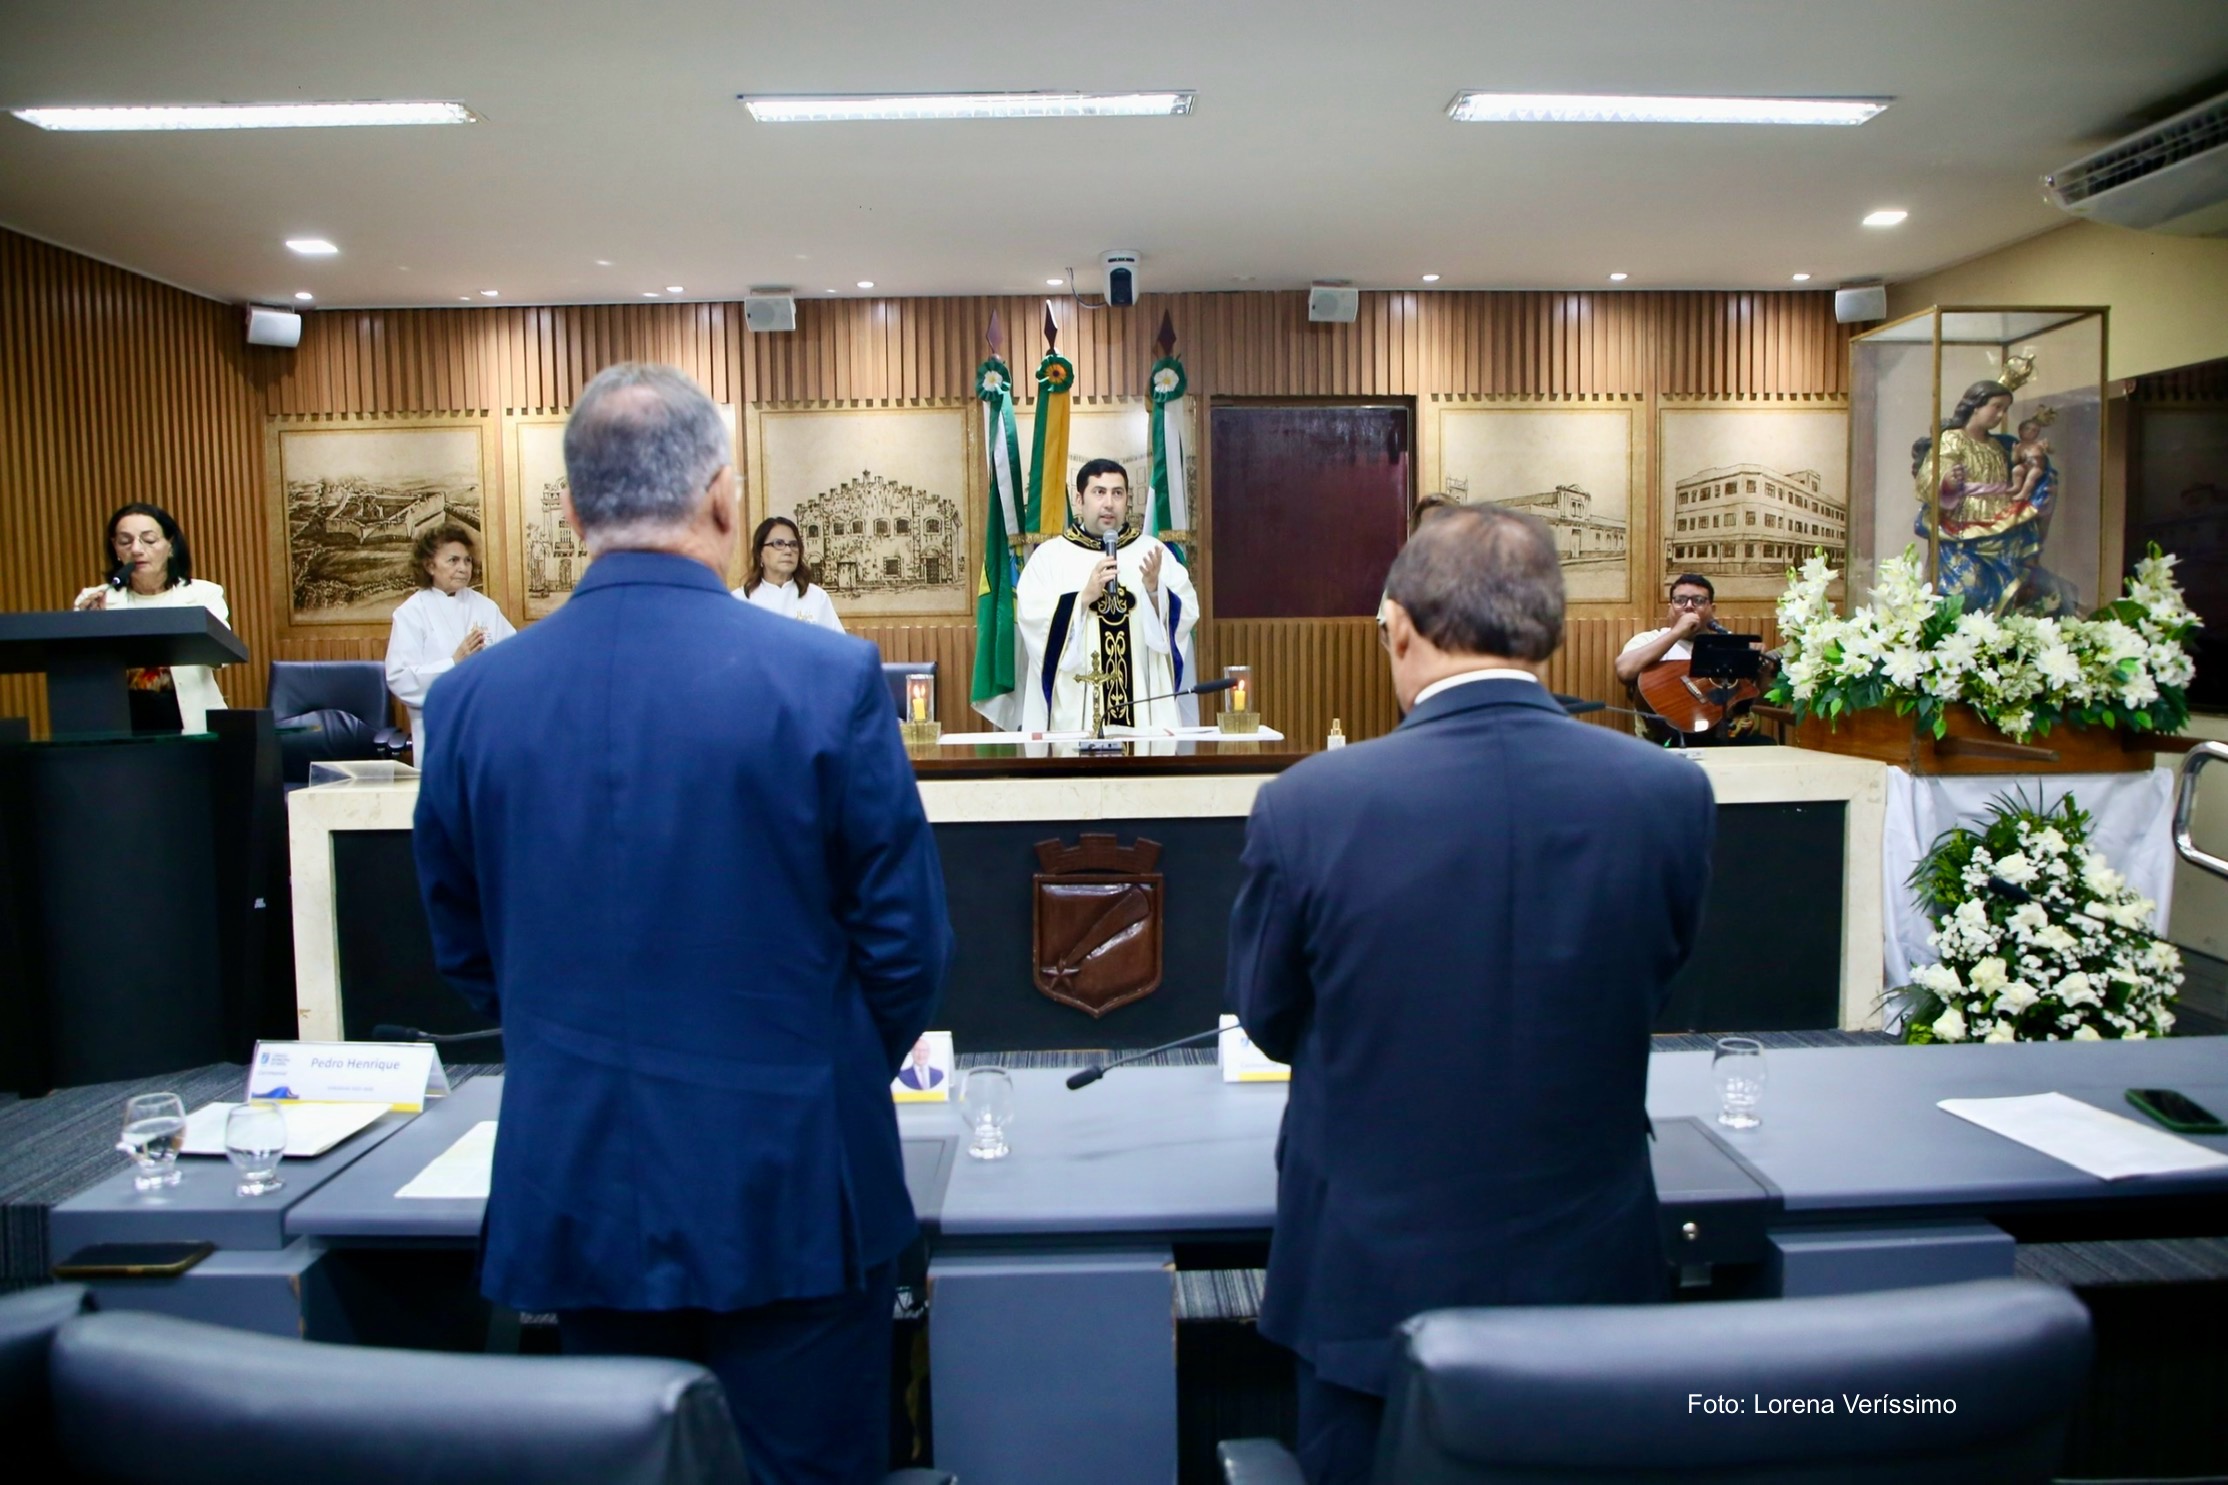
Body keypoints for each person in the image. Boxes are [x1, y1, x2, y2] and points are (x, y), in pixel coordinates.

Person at [413, 362, 951, 1485]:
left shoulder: (469, 702)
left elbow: (465, 947)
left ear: (572, 513)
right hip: (796, 1181)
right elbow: (906, 944)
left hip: (582, 1174)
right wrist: (824, 1071)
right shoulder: (826, 677)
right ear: (721, 497)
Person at [1229, 504, 1713, 1485]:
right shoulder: (1668, 794)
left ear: (1400, 627)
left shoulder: (1308, 803)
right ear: (1551, 633)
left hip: (1371, 1290)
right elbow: (1653, 979)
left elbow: (1269, 1019)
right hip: (1591, 1281)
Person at [1016, 458, 1199, 733]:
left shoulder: (1153, 552)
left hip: (1142, 711)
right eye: (1099, 492)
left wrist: (1154, 591)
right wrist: (1081, 600)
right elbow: (1033, 619)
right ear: (1080, 499)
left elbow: (1185, 614)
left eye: (1118, 493)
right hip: (1077, 711)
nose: (1109, 503)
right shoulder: (1050, 558)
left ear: (1127, 500)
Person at [1911, 374, 2072, 614]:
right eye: (1996, 407)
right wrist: (1948, 480)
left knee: (2013, 585)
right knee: (1966, 591)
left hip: (2001, 522)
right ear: (1975, 406)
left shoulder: (1999, 445)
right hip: (1963, 525)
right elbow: (1932, 471)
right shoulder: (1953, 439)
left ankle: (1996, 626)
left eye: (2005, 410)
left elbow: (2022, 468)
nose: (2000, 415)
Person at [71, 502, 231, 734]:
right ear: (115, 549)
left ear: (171, 545)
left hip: (191, 719)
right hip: (120, 719)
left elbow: (221, 657)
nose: (136, 549)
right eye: (125, 541)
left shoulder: (203, 594)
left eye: (149, 540)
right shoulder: (94, 601)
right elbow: (81, 667)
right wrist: (89, 626)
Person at [384, 522, 516, 761]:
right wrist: (454, 662)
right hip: (439, 730)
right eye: (453, 560)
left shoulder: (486, 608)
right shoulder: (411, 613)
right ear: (429, 565)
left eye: (467, 560)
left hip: (484, 727)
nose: (463, 568)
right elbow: (400, 679)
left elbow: (514, 659)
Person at [734, 514, 844, 632]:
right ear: (759, 553)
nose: (788, 550)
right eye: (778, 543)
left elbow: (836, 642)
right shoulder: (739, 600)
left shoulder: (817, 597)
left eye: (793, 545)